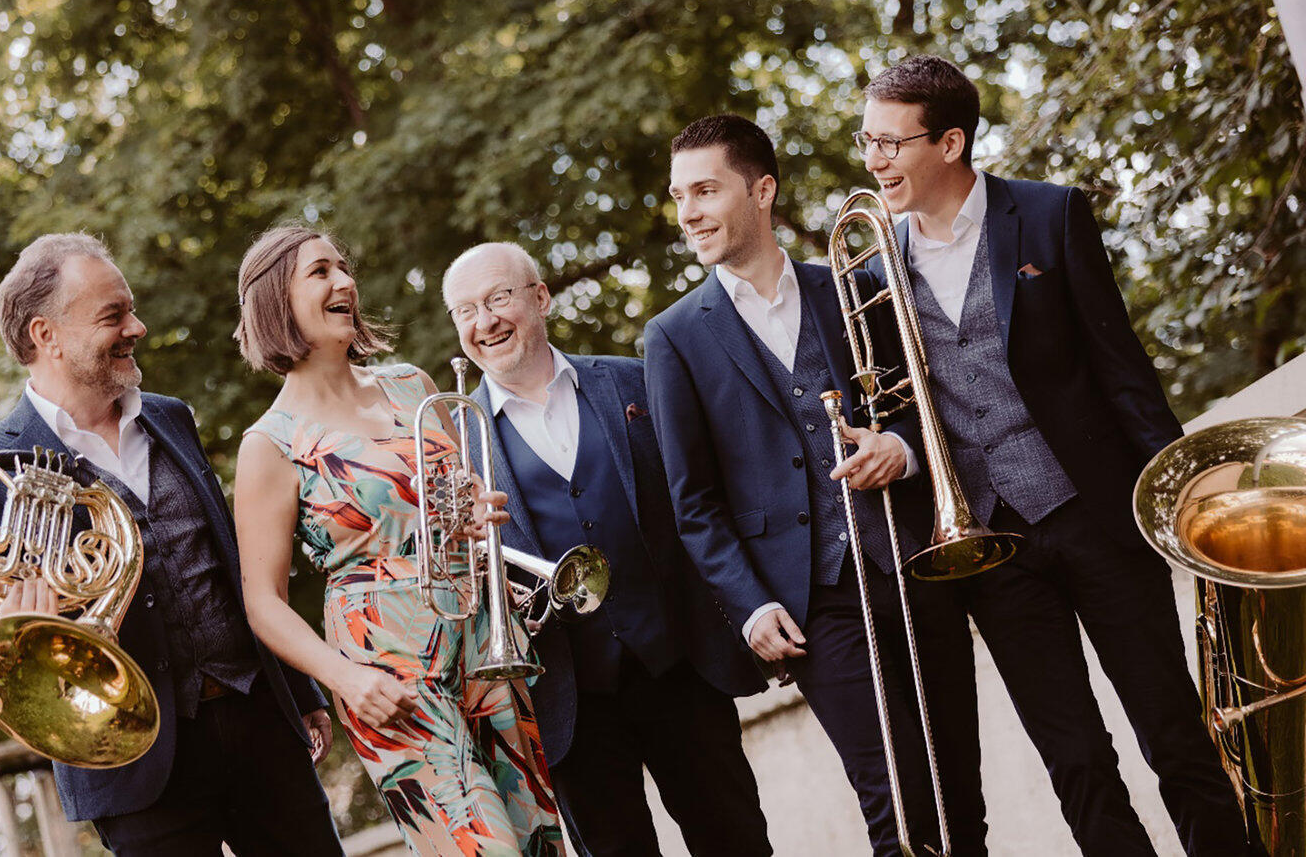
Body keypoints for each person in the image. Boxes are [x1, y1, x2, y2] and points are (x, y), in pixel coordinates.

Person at [855, 54, 1250, 856]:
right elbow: (900, 407)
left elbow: (1121, 368)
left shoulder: (1048, 214)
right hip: (988, 544)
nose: (873, 161)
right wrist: (893, 445)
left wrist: (1183, 499)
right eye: (867, 141)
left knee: (1173, 731)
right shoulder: (872, 267)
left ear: (951, 142)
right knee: (1076, 762)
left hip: (1096, 513)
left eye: (891, 143)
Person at [644, 114, 983, 856]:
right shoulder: (674, 336)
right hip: (810, 601)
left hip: (913, 564)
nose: (688, 212)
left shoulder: (851, 285)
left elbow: (923, 407)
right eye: (679, 196)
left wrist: (900, 449)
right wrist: (749, 605)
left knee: (961, 801)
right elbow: (693, 502)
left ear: (762, 190)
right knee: (896, 809)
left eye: (706, 190)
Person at [0, 233, 343, 856]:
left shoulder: (170, 416)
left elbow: (232, 563)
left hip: (257, 718)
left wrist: (298, 689)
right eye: (112, 316)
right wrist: (17, 617)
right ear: (46, 334)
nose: (136, 328)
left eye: (131, 310)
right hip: (129, 760)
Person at [231, 224, 565, 857]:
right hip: (385, 672)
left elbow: (454, 501)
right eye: (320, 272)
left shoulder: (412, 385)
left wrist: (472, 512)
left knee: (539, 840)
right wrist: (346, 679)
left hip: (479, 635)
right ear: (276, 300)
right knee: (483, 849)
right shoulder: (269, 444)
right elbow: (263, 602)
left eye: (343, 267)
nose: (344, 282)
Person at [440, 242, 771, 856]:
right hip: (566, 701)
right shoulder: (450, 445)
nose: (484, 322)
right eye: (466, 311)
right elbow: (448, 586)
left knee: (738, 842)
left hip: (681, 667)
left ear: (540, 297)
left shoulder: (633, 379)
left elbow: (706, 499)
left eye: (498, 298)